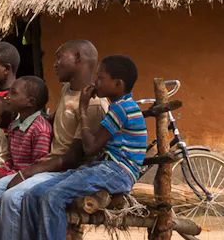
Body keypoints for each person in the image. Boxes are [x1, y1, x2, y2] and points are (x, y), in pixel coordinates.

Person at [14, 54, 147, 240]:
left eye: (101, 78)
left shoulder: (121, 109)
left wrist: (82, 107)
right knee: (32, 194)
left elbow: (91, 147)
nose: (96, 82)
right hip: (104, 168)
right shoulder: (120, 106)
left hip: (118, 171)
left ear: (118, 84)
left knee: (53, 197)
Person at [0, 42, 98, 238]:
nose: (55, 64)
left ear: (77, 59)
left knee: (12, 197)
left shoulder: (92, 103)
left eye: (59, 58)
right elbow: (58, 119)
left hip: (64, 170)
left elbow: (73, 157)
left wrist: (27, 172)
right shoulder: (68, 89)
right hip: (49, 164)